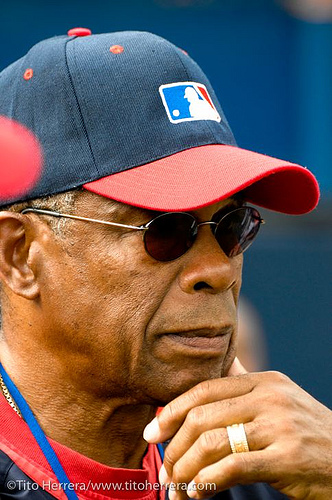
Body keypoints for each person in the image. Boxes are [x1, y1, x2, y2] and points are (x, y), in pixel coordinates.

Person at [0, 28, 330, 500]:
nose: (217, 270)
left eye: (232, 225)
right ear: (20, 257)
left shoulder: (277, 467)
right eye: (166, 230)